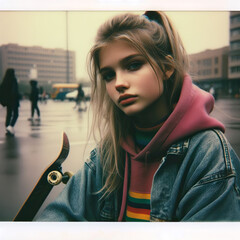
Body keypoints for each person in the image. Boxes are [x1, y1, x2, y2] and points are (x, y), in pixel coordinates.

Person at [37, 11, 240, 222]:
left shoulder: (207, 153)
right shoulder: (109, 154)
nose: (119, 83)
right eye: (109, 75)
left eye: (133, 65)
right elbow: (59, 217)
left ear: (166, 68)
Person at [0, 68, 20, 136]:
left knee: (9, 115)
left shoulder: (5, 81)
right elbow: (15, 91)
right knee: (16, 114)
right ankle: (10, 127)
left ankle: (7, 128)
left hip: (8, 101)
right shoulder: (13, 80)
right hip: (14, 100)